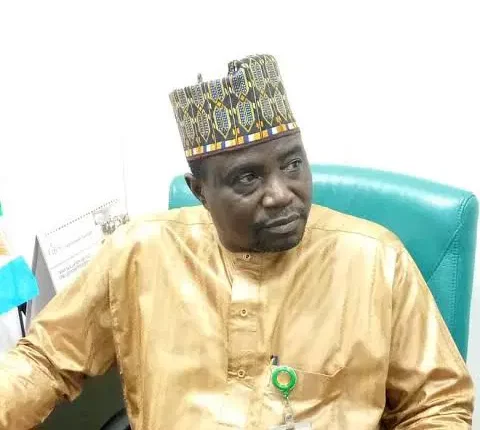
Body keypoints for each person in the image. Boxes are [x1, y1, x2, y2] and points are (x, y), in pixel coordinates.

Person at [0, 54, 474, 429]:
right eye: (248, 178)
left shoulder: (376, 260)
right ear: (200, 192)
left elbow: (439, 406)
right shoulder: (139, 253)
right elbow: (44, 361)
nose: (281, 194)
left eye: (292, 164)